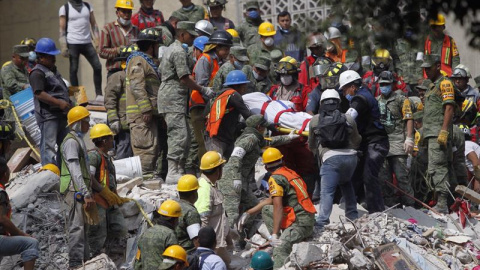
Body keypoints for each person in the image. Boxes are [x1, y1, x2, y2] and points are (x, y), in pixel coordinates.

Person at [226, 115, 298, 244]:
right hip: (231, 180)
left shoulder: (255, 139)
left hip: (241, 180)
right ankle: (228, 246)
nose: (265, 129)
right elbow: (234, 159)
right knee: (232, 213)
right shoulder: (249, 139)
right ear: (259, 127)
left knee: (253, 206)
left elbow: (269, 141)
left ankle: (241, 239)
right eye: (264, 126)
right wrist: (235, 178)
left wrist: (288, 138)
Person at [158, 21, 212, 184]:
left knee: (185, 135)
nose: (193, 38)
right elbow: (183, 78)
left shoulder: (174, 49)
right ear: (182, 35)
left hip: (174, 97)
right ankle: (173, 171)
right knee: (178, 134)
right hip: (172, 97)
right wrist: (202, 89)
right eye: (191, 35)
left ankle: (179, 168)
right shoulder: (178, 51)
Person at [243, 148, 315, 269]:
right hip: (305, 216)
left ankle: (278, 246)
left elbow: (278, 206)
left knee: (280, 249)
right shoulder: (289, 172)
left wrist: (274, 234)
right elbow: (271, 200)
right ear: (282, 161)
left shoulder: (275, 179)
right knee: (266, 209)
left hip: (301, 223)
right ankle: (279, 238)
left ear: (266, 167)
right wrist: (248, 213)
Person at [308, 89, 360, 230]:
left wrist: (320, 153)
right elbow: (357, 140)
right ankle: (353, 215)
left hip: (330, 158)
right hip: (351, 158)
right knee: (346, 182)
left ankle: (323, 221)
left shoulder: (315, 120)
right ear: (338, 102)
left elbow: (311, 144)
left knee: (327, 191)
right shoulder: (348, 118)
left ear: (321, 104)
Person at [339, 70, 389, 213]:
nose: (344, 93)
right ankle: (354, 206)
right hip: (368, 143)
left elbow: (349, 118)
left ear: (352, 87)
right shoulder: (365, 94)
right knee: (355, 174)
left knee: (369, 176)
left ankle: (377, 211)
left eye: (344, 89)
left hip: (376, 143)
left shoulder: (360, 99)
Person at [60, 106, 98, 268]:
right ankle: (75, 264)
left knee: (84, 228)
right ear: (77, 123)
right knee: (77, 227)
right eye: (85, 121)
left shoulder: (78, 140)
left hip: (79, 189)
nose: (88, 124)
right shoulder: (71, 142)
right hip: (74, 190)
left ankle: (85, 261)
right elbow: (75, 170)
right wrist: (85, 193)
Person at [125, 28, 165, 179]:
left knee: (152, 147)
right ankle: (145, 179)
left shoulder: (146, 62)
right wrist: (146, 109)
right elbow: (137, 86)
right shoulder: (138, 61)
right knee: (145, 148)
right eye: (157, 46)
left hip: (148, 115)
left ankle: (148, 177)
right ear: (151, 46)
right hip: (141, 116)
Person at [420, 54, 456, 213]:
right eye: (424, 68)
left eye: (429, 68)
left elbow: (449, 107)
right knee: (437, 167)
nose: (426, 71)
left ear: (437, 66)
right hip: (430, 133)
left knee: (438, 167)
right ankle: (449, 200)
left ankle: (442, 204)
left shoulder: (445, 83)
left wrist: (444, 130)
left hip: (438, 133)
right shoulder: (431, 86)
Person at [87, 124, 128, 257]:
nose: (113, 140)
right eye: (110, 138)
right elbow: (89, 177)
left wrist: (115, 196)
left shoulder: (105, 156)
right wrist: (103, 191)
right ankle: (96, 256)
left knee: (119, 226)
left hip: (108, 199)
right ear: (104, 140)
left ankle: (113, 250)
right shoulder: (94, 156)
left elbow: (109, 179)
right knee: (98, 231)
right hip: (98, 199)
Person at [375, 71, 415, 207]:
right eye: (381, 84)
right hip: (383, 142)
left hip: (398, 141)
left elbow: (409, 118)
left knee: (401, 176)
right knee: (384, 178)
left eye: (386, 84)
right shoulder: (377, 101)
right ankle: (390, 205)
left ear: (392, 84)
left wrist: (409, 138)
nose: (384, 86)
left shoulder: (401, 99)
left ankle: (409, 205)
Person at [30, 38, 72, 166]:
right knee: (48, 147)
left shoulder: (53, 70)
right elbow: (39, 93)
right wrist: (59, 103)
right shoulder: (37, 73)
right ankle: (49, 175)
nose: (54, 59)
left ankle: (62, 173)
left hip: (60, 114)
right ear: (41, 57)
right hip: (48, 116)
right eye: (50, 56)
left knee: (65, 145)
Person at [0, 157, 39, 270]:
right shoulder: (1, 193)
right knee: (30, 243)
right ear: (4, 173)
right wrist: (21, 234)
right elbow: (2, 219)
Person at [204, 70, 252, 159]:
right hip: (218, 139)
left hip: (214, 137)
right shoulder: (234, 95)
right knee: (216, 165)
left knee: (222, 166)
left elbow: (205, 116)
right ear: (237, 85)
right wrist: (267, 124)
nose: (245, 88)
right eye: (244, 85)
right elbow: (249, 117)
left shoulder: (218, 96)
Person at [195, 152, 231, 267]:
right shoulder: (205, 188)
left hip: (217, 241)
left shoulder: (212, 185)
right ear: (217, 170)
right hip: (210, 244)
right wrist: (204, 247)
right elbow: (203, 219)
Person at [59, 0, 102, 96]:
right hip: (72, 42)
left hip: (87, 42)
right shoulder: (65, 8)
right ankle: (78, 97)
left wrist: (97, 41)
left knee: (97, 66)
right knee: (73, 70)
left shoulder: (87, 6)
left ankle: (99, 95)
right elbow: (62, 28)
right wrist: (63, 45)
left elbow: (94, 24)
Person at [104, 44, 137, 160]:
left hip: (136, 124)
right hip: (123, 125)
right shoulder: (118, 76)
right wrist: (113, 120)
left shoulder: (138, 76)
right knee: (124, 151)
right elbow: (109, 99)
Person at [135, 199, 181, 270]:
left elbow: (138, 260)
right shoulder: (170, 235)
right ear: (174, 219)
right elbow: (171, 262)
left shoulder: (146, 232)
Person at [99, 0, 139, 77]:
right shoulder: (108, 29)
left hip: (133, 72)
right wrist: (118, 50)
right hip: (115, 72)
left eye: (129, 12)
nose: (126, 15)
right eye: (123, 12)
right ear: (117, 13)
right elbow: (101, 51)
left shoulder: (136, 30)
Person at [1, 45, 30, 122]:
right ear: (14, 57)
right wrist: (24, 86)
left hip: (26, 106)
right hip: (13, 110)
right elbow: (11, 84)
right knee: (19, 132)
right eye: (22, 58)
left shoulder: (25, 70)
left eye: (26, 58)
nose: (25, 61)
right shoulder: (7, 69)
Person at [176, 174, 201, 253]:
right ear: (194, 194)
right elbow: (196, 239)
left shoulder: (175, 206)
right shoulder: (191, 212)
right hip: (187, 253)